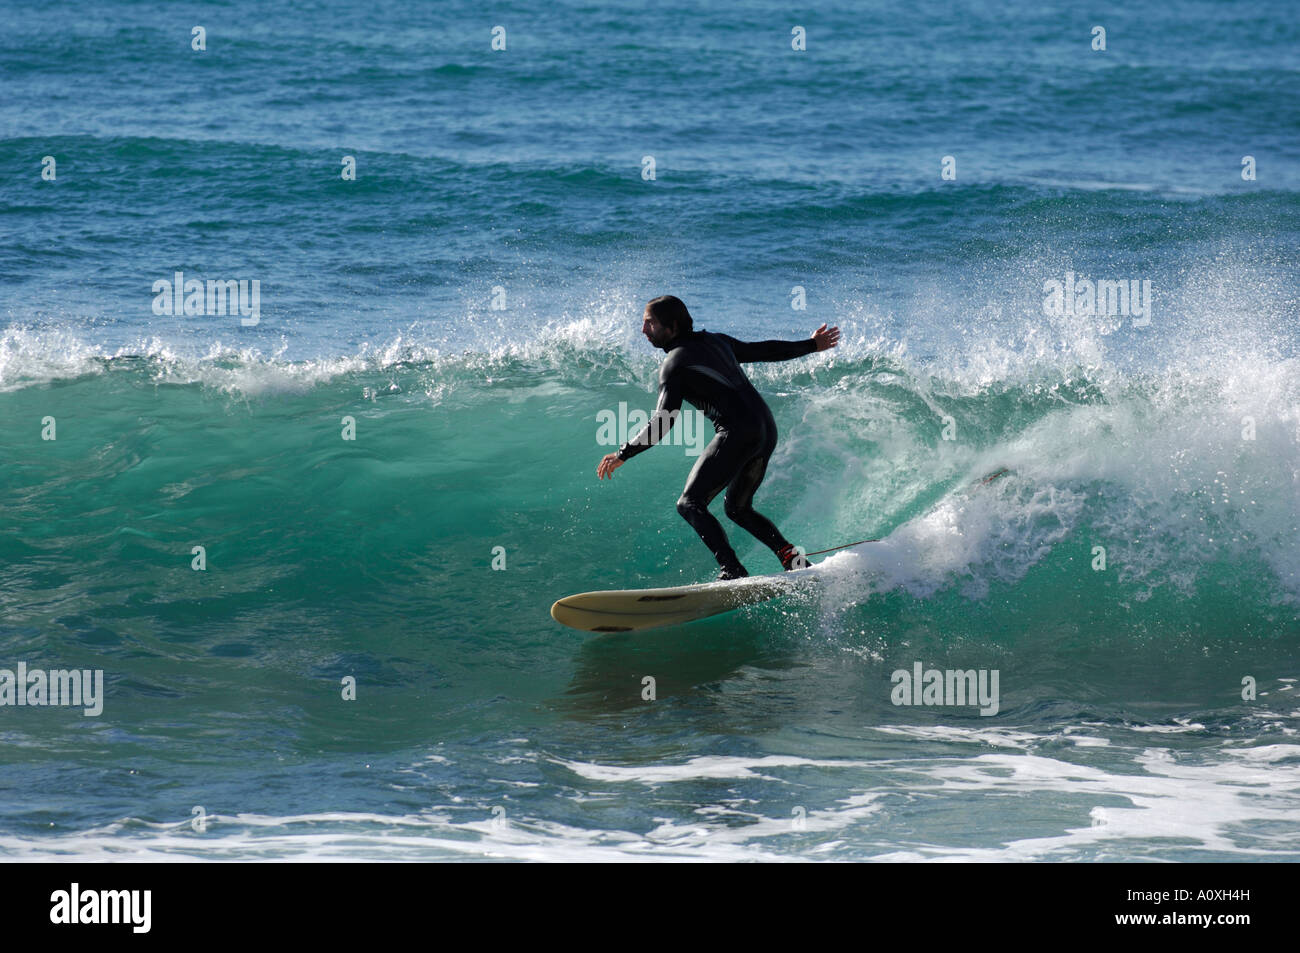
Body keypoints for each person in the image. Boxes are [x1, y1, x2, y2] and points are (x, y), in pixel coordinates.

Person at [596, 295, 840, 579]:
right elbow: (763, 350)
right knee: (737, 508)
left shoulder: (674, 364)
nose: (643, 330)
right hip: (764, 427)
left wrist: (623, 453)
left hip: (737, 432)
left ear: (672, 326)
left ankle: (732, 569)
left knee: (689, 504)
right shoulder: (716, 341)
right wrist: (812, 345)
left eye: (650, 323)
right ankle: (794, 562)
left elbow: (663, 421)